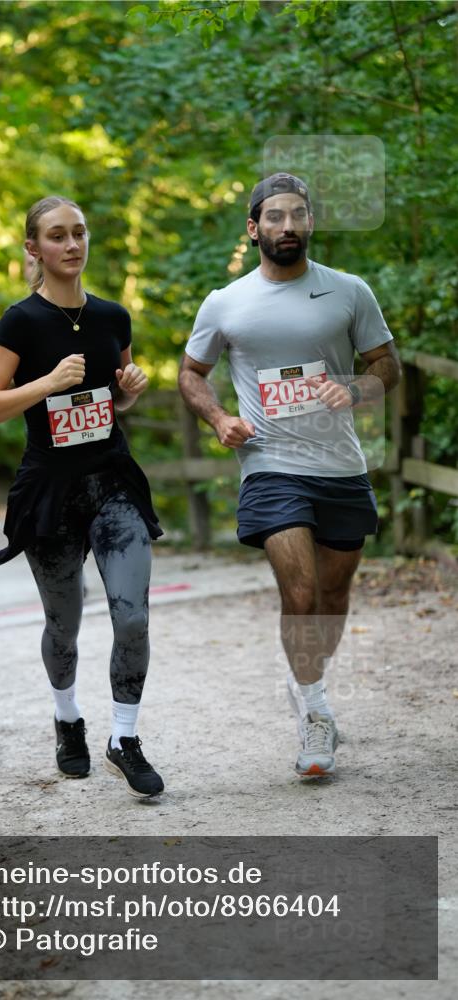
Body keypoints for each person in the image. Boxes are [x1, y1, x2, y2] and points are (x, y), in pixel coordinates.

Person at [179, 172, 401, 779]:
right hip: (270, 464)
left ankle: (308, 688)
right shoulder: (226, 303)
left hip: (341, 465)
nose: (287, 226)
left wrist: (353, 389)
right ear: (254, 229)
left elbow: (388, 366)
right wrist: (220, 417)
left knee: (331, 598)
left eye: (297, 216)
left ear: (309, 224)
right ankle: (316, 712)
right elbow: (190, 374)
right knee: (299, 593)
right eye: (273, 217)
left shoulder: (348, 291)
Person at [0, 195, 164, 798]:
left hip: (113, 482)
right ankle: (68, 720)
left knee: (131, 616)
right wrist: (46, 383)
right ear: (34, 248)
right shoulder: (20, 322)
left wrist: (131, 387)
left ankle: (124, 738)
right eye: (57, 236)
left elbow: (116, 396)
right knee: (65, 622)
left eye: (79, 232)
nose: (72, 244)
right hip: (50, 491)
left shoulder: (113, 317)